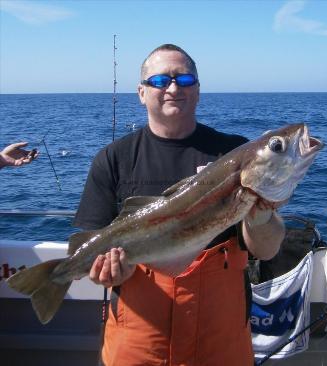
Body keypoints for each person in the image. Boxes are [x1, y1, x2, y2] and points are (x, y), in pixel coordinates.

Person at [74, 44, 286, 366]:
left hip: (221, 336)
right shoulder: (113, 159)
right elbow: (92, 247)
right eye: (160, 80)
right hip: (140, 337)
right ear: (141, 93)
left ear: (198, 91)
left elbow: (267, 251)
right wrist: (106, 273)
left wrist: (261, 218)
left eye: (185, 80)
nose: (173, 88)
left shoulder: (232, 153)